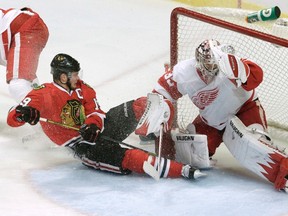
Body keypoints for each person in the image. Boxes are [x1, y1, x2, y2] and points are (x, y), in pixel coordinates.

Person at [7, 53, 204, 181]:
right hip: (84, 147)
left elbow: (96, 112)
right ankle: (181, 170)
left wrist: (93, 125)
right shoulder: (42, 94)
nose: (78, 77)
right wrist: (22, 114)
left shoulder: (83, 88)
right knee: (131, 158)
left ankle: (151, 135)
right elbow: (12, 116)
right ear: (63, 77)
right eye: (74, 74)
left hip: (101, 129)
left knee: (141, 104)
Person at [140, 39, 288, 192]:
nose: (210, 68)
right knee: (190, 155)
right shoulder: (184, 71)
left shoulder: (230, 64)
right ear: (198, 60)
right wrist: (156, 118)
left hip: (244, 110)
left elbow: (256, 76)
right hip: (211, 122)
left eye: (213, 64)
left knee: (255, 147)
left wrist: (238, 68)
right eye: (207, 64)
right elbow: (161, 92)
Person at [0, 7, 49, 102]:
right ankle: (50, 108)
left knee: (18, 85)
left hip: (26, 27)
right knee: (28, 84)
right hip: (29, 26)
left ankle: (40, 114)